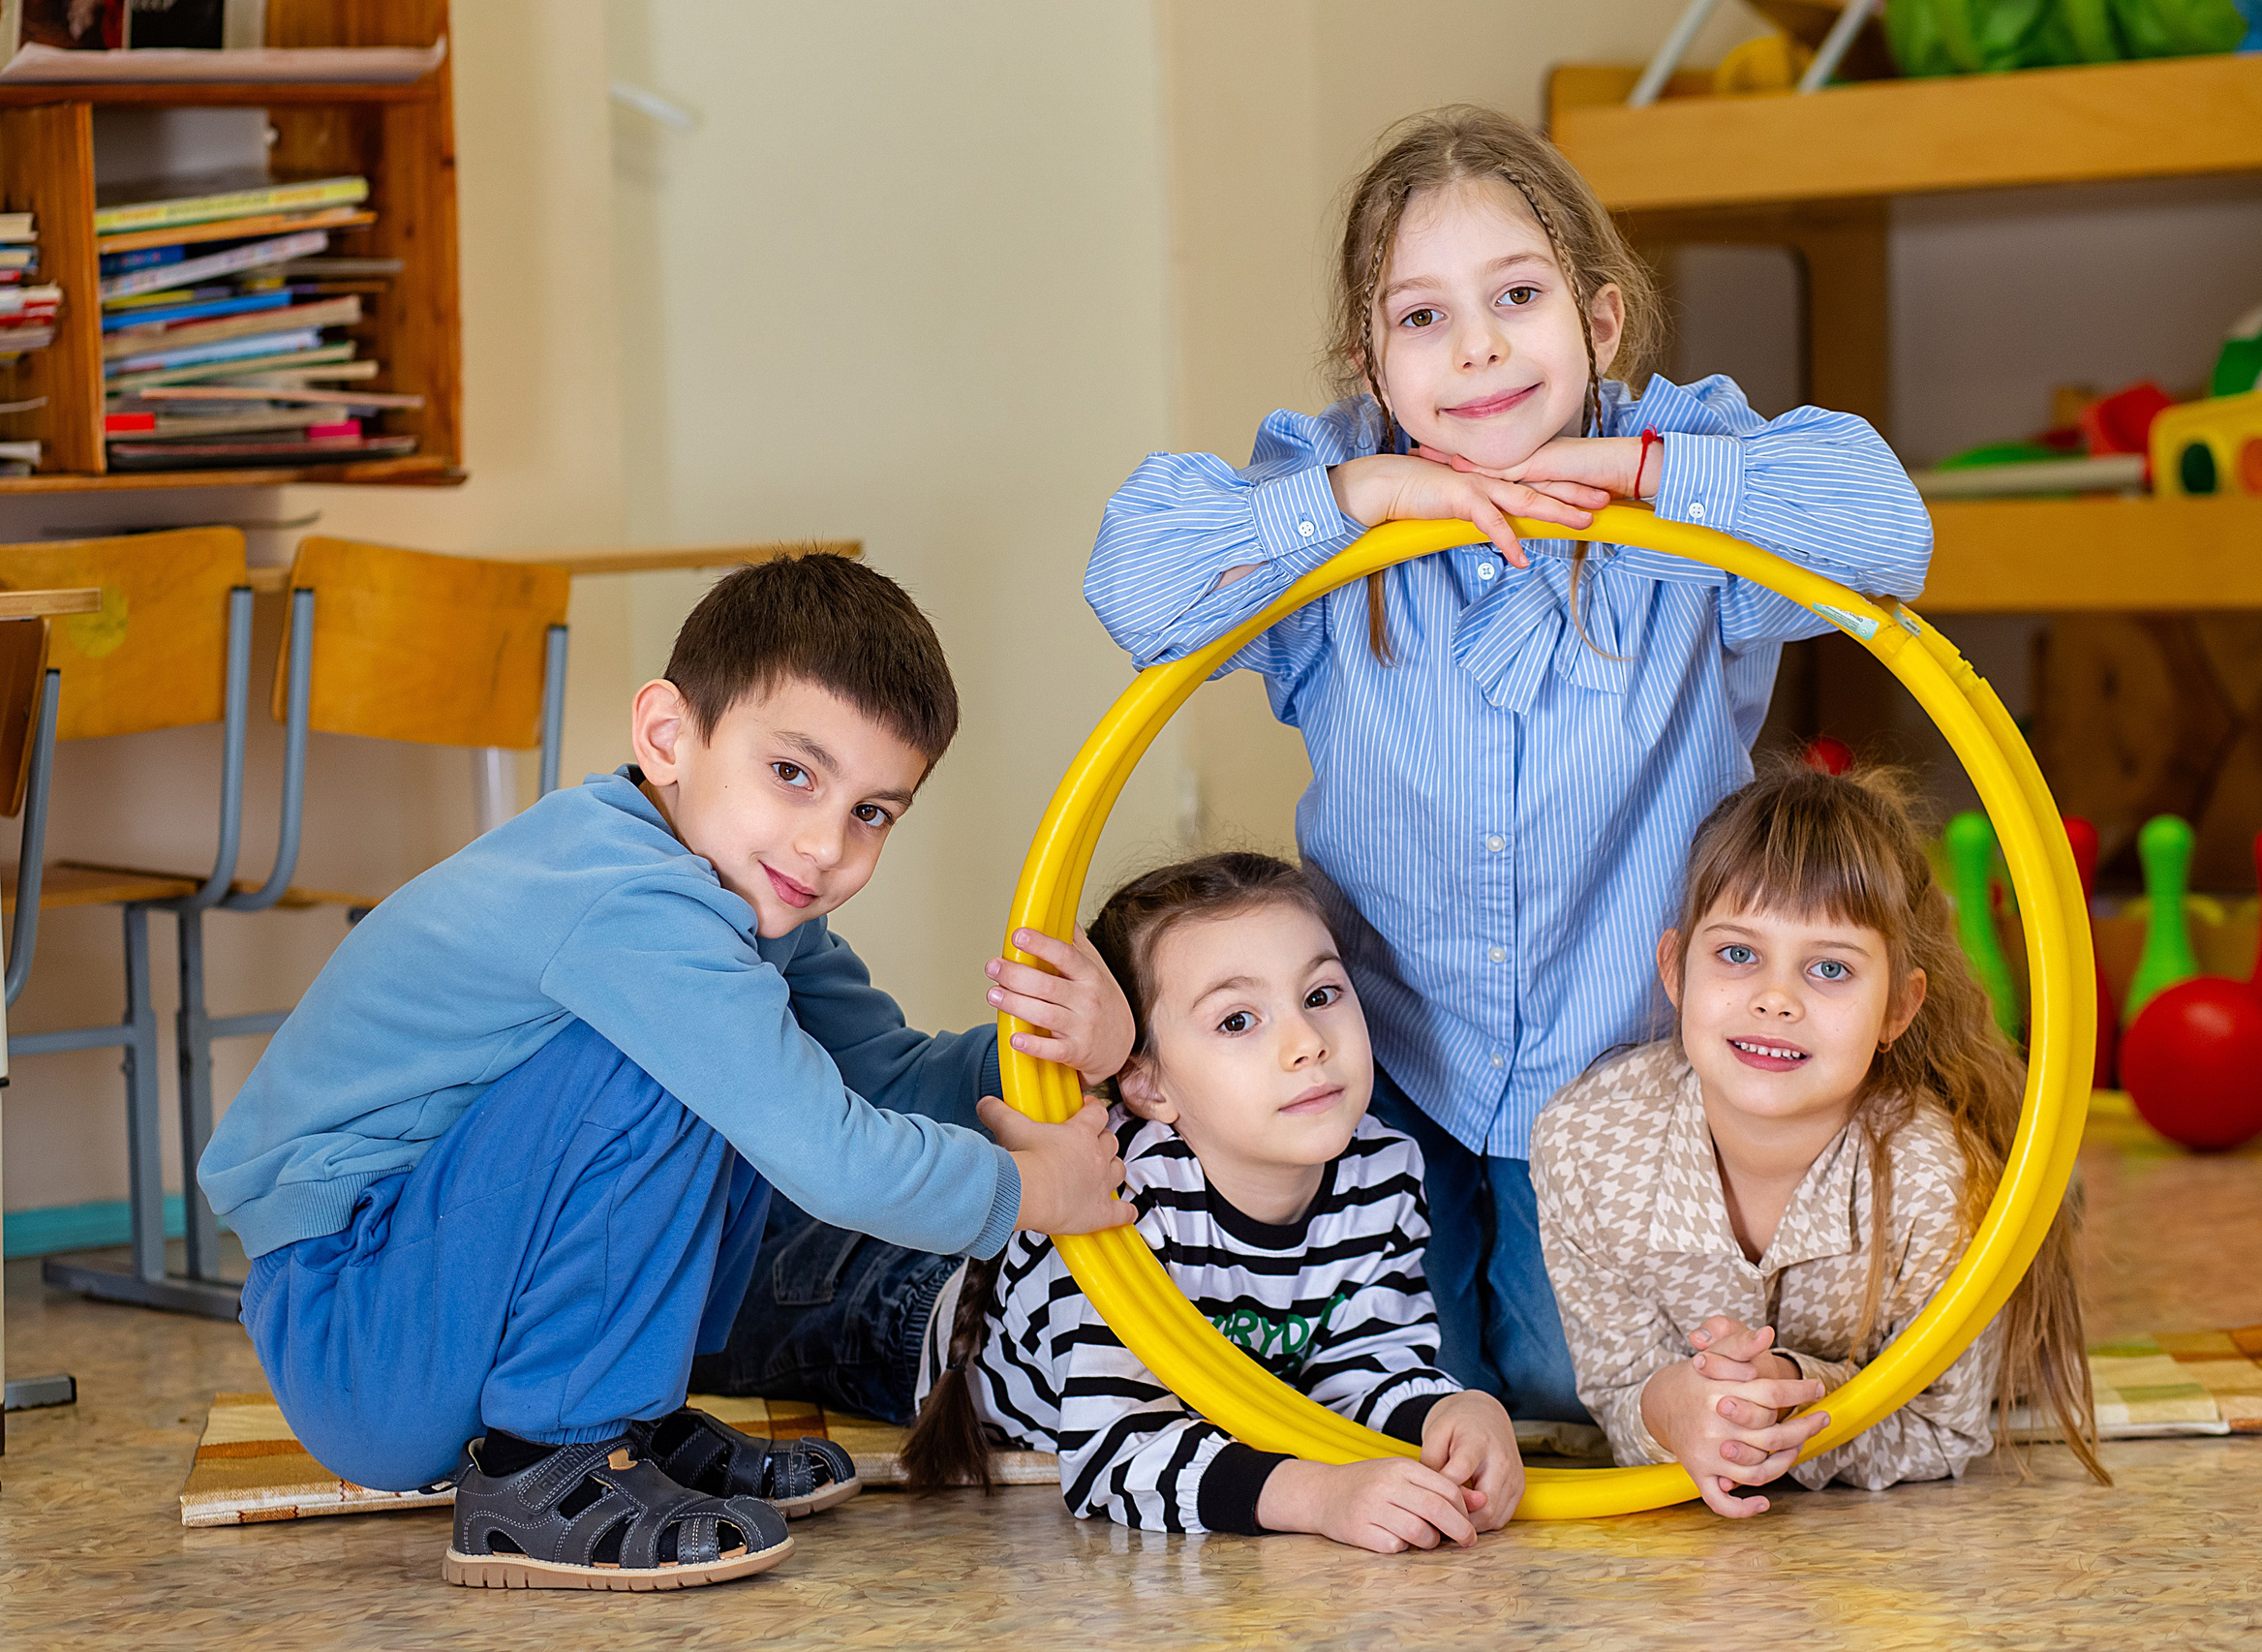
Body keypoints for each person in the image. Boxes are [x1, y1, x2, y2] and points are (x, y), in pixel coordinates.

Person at [1084, 106, 1933, 1421]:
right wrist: (1365, 500)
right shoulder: (1331, 493)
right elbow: (1133, 583)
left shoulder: (1683, 474)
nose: (1476, 346)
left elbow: (1888, 532)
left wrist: (1629, 474)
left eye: (1518, 297)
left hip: (1616, 1074)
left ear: (1600, 322)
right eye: (1422, 317)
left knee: (1555, 1378)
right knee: (1403, 1385)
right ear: (1371, 363)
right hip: (1387, 1067)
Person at [200, 549, 1137, 1591]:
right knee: (688, 1066)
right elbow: (833, 1157)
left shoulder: (744, 910)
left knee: (752, 1063)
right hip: (357, 1322)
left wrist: (1065, 1050)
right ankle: (543, 1468)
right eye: (793, 773)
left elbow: (888, 1076)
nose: (825, 845)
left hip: (430, 1295)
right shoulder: (629, 900)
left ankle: (625, 1426)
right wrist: (1028, 1188)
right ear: (666, 736)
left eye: (872, 811)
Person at [698, 852, 1527, 1553]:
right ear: (1149, 1083)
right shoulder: (1128, 1197)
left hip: (949, 1272)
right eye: (1239, 1020)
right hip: (897, 1314)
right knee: (707, 1295)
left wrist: (1451, 1413)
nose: (1306, 1043)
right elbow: (1112, 1451)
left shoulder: (1382, 1168)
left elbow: (1362, 1365)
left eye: (1320, 995)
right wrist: (1317, 1497)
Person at [1531, 760, 2110, 1516]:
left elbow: (1941, 1425)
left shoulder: (1937, 1181)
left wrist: (1790, 1394)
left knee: (2036, 1196)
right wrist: (1667, 1409)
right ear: (1675, 970)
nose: (1775, 999)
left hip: (1956, 1213)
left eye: (1830, 968)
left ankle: (2059, 1196)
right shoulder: (1584, 1143)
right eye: (1738, 954)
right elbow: (1618, 1387)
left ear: (1897, 1009)